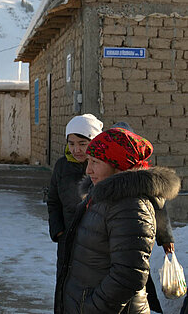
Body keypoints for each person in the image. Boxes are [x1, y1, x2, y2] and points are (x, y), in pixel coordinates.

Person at [55, 127, 180, 313]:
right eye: (88, 161)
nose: (88, 170)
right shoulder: (100, 195)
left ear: (119, 164)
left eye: (95, 162)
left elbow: (128, 275)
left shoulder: (131, 207)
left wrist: (92, 307)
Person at [111, 122, 174, 314]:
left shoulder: (145, 176)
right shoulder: (105, 173)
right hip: (114, 242)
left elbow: (160, 209)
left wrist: (166, 238)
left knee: (140, 282)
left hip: (138, 241)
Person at [48, 114, 103, 284]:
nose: (76, 150)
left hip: (96, 241)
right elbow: (53, 200)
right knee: (67, 284)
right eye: (71, 144)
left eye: (82, 144)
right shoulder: (62, 166)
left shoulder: (103, 167)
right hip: (68, 237)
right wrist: (58, 231)